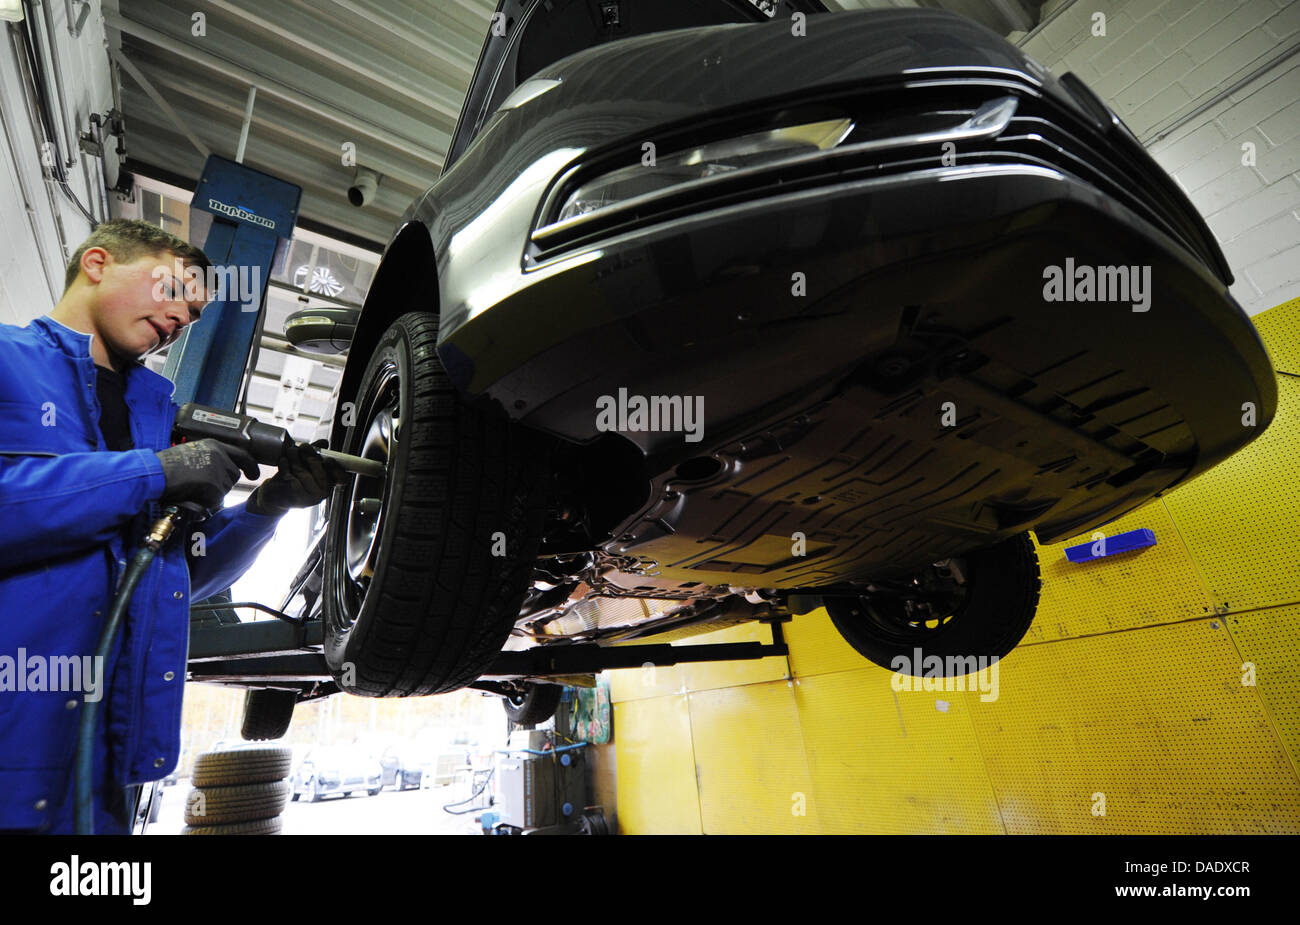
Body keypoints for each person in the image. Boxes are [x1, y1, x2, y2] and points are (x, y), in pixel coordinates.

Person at [0, 219, 348, 833]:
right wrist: (153, 472)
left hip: (103, 771)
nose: (182, 316)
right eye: (174, 290)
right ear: (99, 263)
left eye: (192, 314)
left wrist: (267, 507)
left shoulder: (152, 416)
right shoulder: (7, 362)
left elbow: (167, 577)